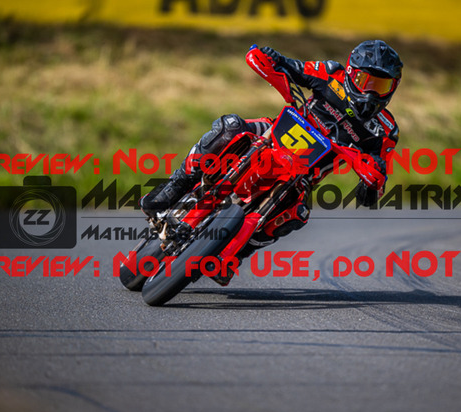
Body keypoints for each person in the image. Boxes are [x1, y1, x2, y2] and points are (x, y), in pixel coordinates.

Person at [140, 40, 403, 284]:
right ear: (351, 73)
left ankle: (237, 254)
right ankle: (174, 186)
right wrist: (271, 57)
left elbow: (371, 193)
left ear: (393, 88)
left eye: (381, 86)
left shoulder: (386, 130)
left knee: (297, 214)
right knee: (229, 127)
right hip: (272, 134)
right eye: (365, 81)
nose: (371, 94)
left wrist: (373, 179)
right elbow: (288, 65)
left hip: (303, 175)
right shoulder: (329, 74)